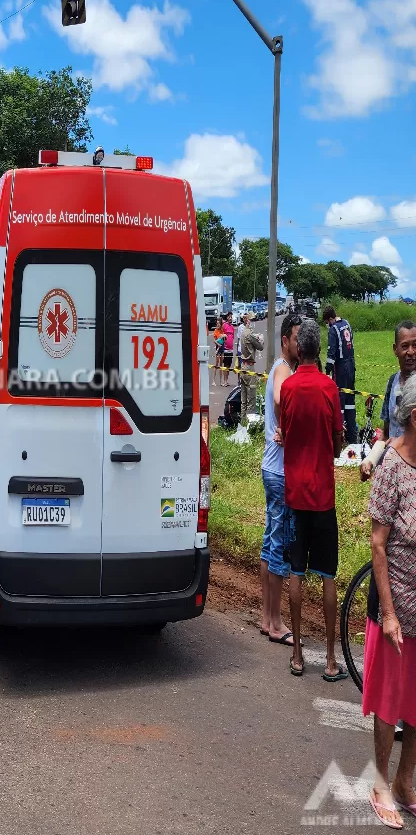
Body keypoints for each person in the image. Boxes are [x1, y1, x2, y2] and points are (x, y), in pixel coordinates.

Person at [362, 374, 416, 829]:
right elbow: (378, 546)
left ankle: (404, 783)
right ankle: (381, 785)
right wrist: (391, 614)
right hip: (395, 604)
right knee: (389, 700)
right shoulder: (392, 469)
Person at [280, 318, 347, 680]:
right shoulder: (330, 389)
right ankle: (333, 661)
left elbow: (285, 433)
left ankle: (297, 654)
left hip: (295, 493)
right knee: (328, 575)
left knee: (296, 570)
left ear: (298, 348)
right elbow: (337, 442)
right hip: (323, 495)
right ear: (318, 349)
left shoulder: (288, 388)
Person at [260, 314, 301, 645]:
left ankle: (266, 616)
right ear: (285, 339)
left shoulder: (282, 367)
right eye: (297, 338)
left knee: (268, 540)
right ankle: (275, 622)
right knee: (278, 544)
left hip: (271, 469)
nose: (300, 344)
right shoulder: (284, 369)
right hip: (279, 472)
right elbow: (279, 397)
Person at [324, 304, 358, 444]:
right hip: (351, 365)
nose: (327, 325)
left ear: (330, 318)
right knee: (350, 400)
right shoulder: (346, 324)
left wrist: (327, 370)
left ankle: (340, 437)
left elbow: (331, 352)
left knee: (340, 402)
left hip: (341, 368)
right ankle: (352, 435)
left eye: (327, 322)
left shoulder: (334, 329)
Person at [239, 311, 264, 424]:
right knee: (251, 399)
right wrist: (261, 338)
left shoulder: (243, 332)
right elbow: (260, 347)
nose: (254, 322)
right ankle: (250, 426)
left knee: (243, 399)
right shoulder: (250, 334)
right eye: (252, 320)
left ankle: (243, 423)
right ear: (248, 321)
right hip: (249, 368)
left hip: (243, 366)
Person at [221, 312, 236, 387]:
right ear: (227, 318)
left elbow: (232, 337)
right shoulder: (224, 326)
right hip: (225, 349)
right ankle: (225, 381)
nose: (230, 318)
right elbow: (221, 336)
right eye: (229, 317)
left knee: (229, 366)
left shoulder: (232, 327)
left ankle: (227, 380)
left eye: (231, 317)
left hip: (231, 349)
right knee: (225, 365)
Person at [213, 321, 226, 386]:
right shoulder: (216, 331)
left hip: (222, 348)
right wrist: (218, 344)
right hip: (218, 348)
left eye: (219, 323)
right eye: (217, 323)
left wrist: (224, 339)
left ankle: (221, 381)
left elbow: (224, 339)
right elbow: (214, 340)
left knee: (221, 365)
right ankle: (213, 380)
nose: (217, 325)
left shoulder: (222, 330)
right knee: (216, 364)